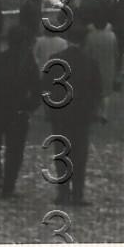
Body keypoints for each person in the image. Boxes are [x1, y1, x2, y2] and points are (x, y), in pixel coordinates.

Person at [0, 26, 40, 197]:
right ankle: (9, 185)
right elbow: (38, 89)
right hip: (18, 110)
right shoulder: (28, 62)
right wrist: (29, 106)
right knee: (15, 149)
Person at [44, 21, 103, 206]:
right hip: (82, 116)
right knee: (79, 156)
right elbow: (97, 91)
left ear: (68, 39)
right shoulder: (91, 63)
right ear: (84, 41)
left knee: (62, 154)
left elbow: (44, 86)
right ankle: (78, 195)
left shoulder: (55, 60)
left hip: (60, 114)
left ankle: (62, 193)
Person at [84, 15, 118, 116]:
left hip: (94, 67)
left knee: (95, 89)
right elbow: (116, 53)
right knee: (106, 91)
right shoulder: (112, 36)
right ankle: (105, 113)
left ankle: (96, 111)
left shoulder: (90, 36)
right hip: (108, 66)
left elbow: (86, 53)